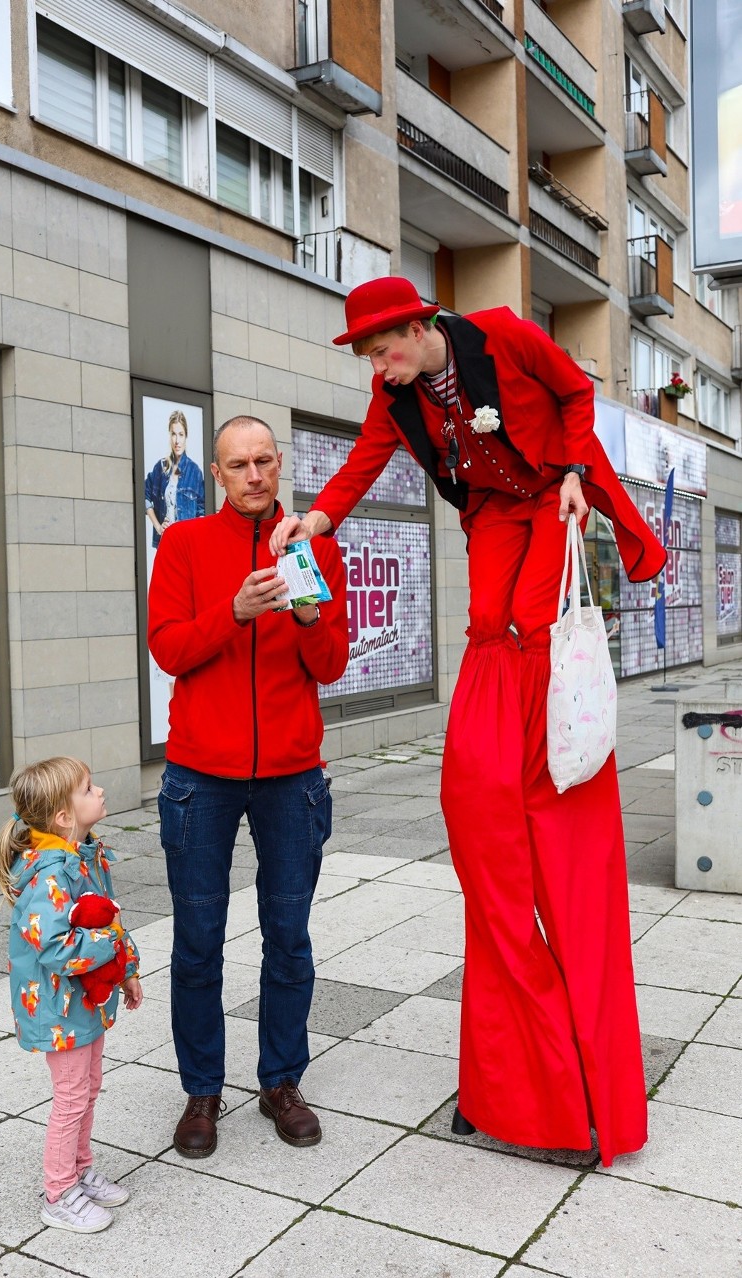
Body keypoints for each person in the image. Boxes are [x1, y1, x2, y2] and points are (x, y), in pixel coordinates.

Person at [270, 278, 667, 1167]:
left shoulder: (502, 337)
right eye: (371, 358)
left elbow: (574, 392)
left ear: (419, 327)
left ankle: (532, 726)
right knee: (489, 624)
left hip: (547, 494)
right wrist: (318, 520)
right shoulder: (395, 398)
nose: (377, 367)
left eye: (383, 349)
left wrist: (570, 473)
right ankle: (495, 735)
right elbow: (363, 467)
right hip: (491, 511)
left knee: (529, 622)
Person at [147, 414, 348, 1157]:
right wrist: (232, 613)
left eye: (265, 460)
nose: (254, 475)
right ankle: (202, 1091)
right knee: (198, 943)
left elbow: (329, 664)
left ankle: (280, 1081)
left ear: (279, 464)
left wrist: (302, 608)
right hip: (202, 775)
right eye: (238, 464)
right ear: (220, 473)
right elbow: (168, 648)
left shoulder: (315, 544)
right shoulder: (185, 543)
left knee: (288, 939)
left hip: (292, 776)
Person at [0, 757, 143, 1233]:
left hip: (82, 1001)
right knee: (71, 1097)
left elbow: (108, 918)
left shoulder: (84, 856)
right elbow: (60, 948)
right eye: (88, 788)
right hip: (58, 1006)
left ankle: (80, 1170)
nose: (99, 792)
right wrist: (115, 950)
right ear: (63, 816)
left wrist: (128, 969)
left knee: (88, 1088)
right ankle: (58, 1192)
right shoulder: (49, 875)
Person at [145, 408, 205, 546]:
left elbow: (201, 513)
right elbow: (144, 495)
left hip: (186, 544)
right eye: (173, 434)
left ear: (186, 436)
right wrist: (158, 526)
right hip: (165, 543)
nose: (177, 440)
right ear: (169, 435)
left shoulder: (195, 471)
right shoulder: (160, 468)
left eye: (181, 434)